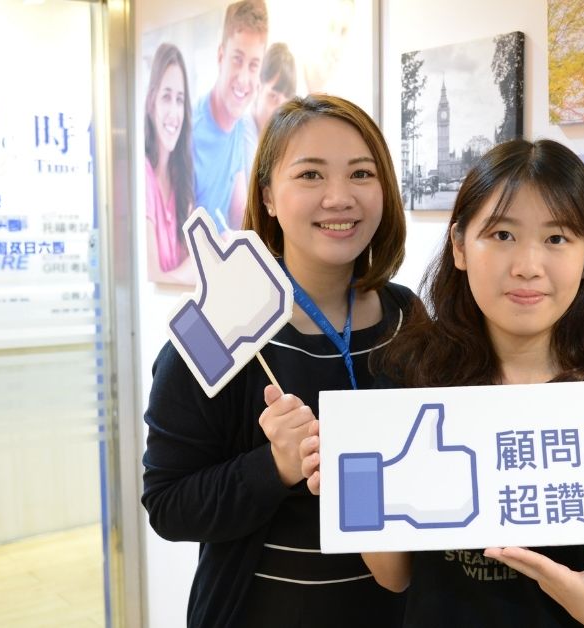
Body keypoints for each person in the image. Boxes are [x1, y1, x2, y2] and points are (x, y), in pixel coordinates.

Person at [301, 139, 584, 627]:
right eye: (501, 234)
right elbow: (395, 576)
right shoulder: (409, 382)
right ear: (460, 246)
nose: (527, 266)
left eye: (557, 238)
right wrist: (349, 488)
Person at [142, 94, 416, 627]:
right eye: (310, 175)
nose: (339, 197)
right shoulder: (218, 327)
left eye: (361, 174)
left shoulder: (409, 320)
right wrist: (275, 466)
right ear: (268, 195)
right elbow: (168, 505)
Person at [191, 0, 267, 233]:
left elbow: (238, 213)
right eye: (237, 59)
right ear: (221, 56)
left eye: (253, 66)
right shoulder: (191, 132)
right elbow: (181, 239)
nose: (243, 79)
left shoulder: (238, 125)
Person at [144, 43, 197, 285]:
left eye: (180, 100)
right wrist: (192, 269)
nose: (174, 113)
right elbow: (151, 280)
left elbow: (198, 259)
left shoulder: (181, 178)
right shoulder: (142, 176)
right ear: (151, 102)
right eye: (166, 97)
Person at [245, 42, 297, 150]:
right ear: (258, 87)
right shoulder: (239, 135)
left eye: (286, 104)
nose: (280, 113)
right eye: (273, 97)